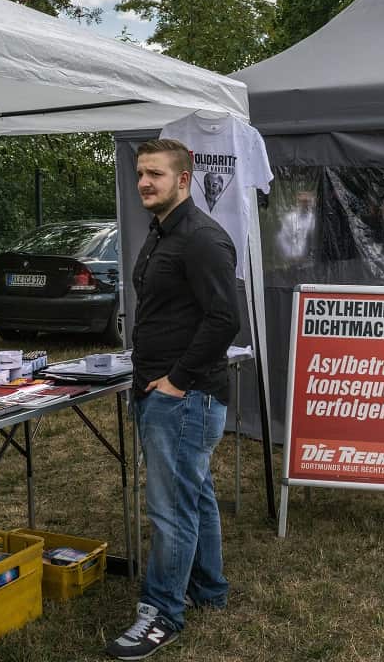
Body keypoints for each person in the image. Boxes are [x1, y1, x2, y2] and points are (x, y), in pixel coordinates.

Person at [106, 138, 239, 659]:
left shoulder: (202, 239)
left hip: (184, 397)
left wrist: (178, 380)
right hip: (158, 388)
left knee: (170, 509)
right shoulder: (160, 231)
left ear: (183, 179)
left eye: (155, 175)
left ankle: (162, 613)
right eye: (140, 173)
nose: (144, 183)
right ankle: (208, 589)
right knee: (195, 494)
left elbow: (225, 318)